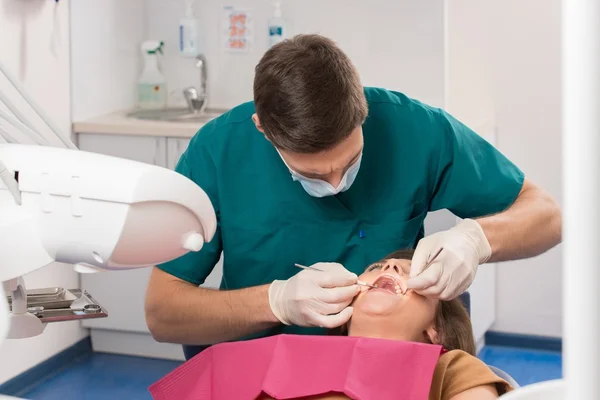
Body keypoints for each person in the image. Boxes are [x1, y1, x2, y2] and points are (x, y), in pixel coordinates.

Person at [145, 34, 562, 359]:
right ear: (262, 129)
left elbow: (547, 216)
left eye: (349, 161)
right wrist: (275, 302)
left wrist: (477, 239)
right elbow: (163, 313)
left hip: (380, 371)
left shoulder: (416, 130)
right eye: (310, 172)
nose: (333, 183)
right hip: (255, 369)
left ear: (363, 109)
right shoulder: (218, 151)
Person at [149, 250, 513, 400]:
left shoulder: (448, 366)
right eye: (378, 267)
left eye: (409, 273)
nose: (389, 268)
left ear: (437, 331)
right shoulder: (280, 356)